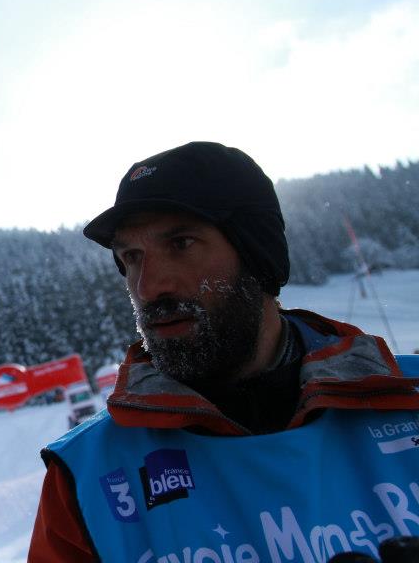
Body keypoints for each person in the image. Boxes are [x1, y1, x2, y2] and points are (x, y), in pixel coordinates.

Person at [28, 142, 419, 563]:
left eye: (181, 243)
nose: (148, 287)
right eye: (132, 257)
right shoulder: (84, 476)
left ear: (258, 254)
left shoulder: (406, 400)